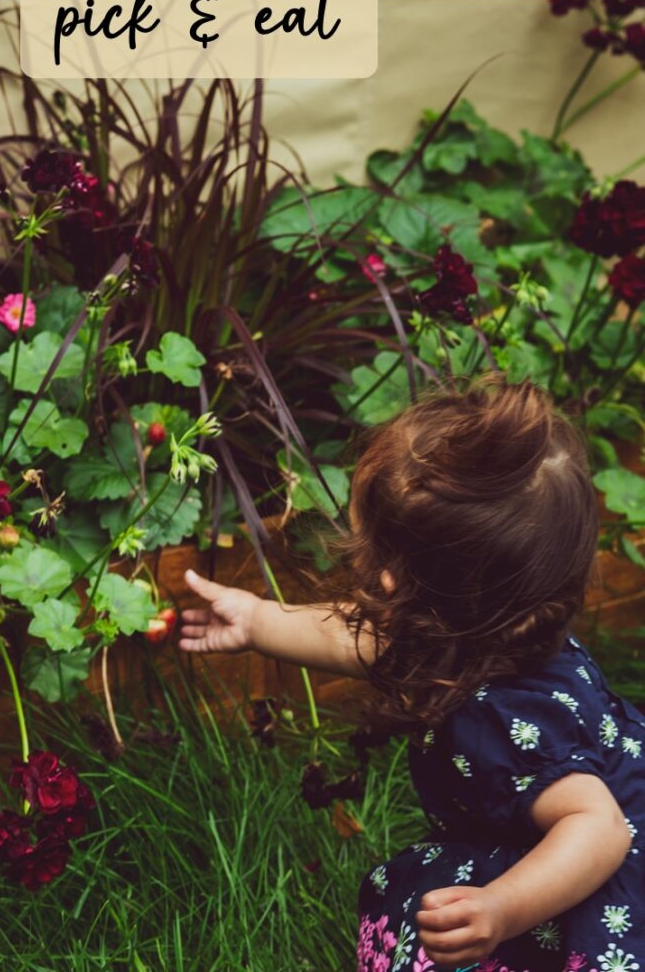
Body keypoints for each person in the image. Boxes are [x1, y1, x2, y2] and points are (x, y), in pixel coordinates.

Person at [179, 373, 644, 972]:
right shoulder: (496, 624)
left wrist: (501, 907)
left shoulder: (502, 716)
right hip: (573, 820)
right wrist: (259, 621)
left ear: (395, 585)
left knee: (449, 939)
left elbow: (600, 829)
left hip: (578, 874)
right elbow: (373, 639)